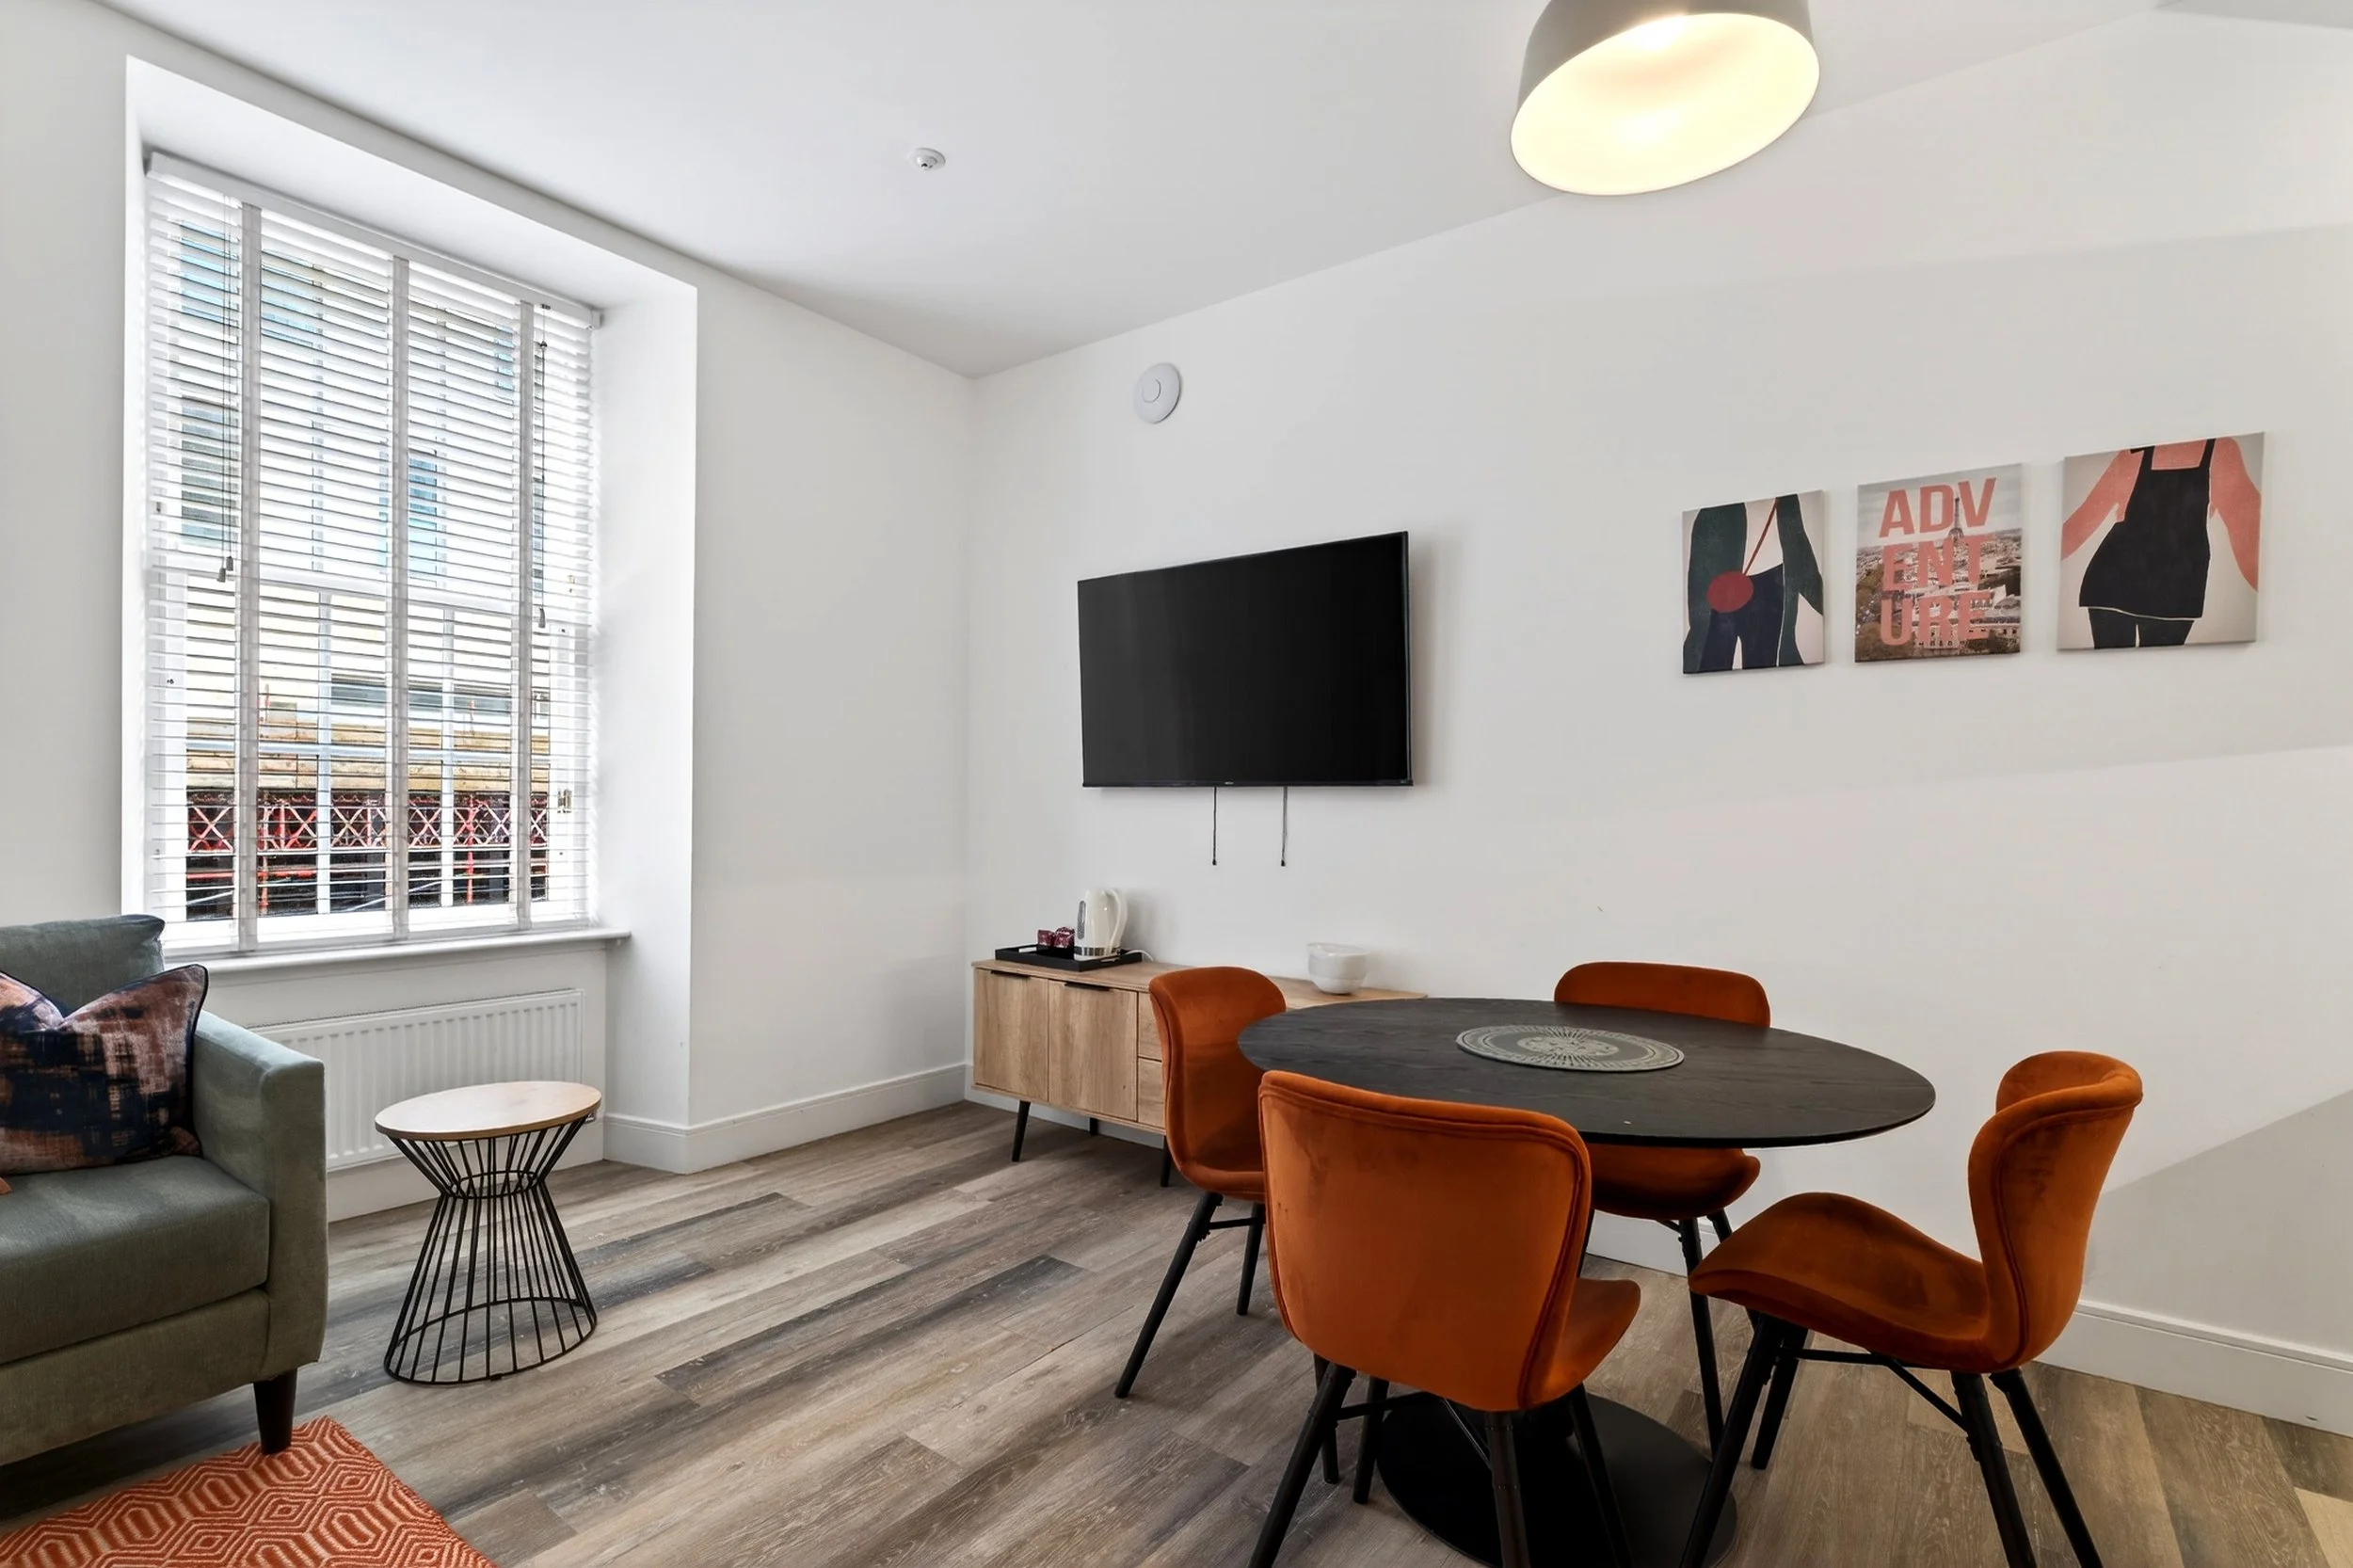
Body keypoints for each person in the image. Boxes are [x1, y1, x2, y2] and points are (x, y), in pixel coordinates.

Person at [2062, 439, 2260, 648]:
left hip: (2176, 591)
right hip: (2112, 585)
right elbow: (2085, 517)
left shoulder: (2220, 450)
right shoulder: (2136, 452)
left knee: (2157, 666)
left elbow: (2247, 529)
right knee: (2115, 665)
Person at [1684, 494, 1822, 673]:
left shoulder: (1787, 501)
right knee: (1710, 664)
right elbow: (1699, 575)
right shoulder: (1714, 512)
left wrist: (1830, 608)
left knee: (1766, 672)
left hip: (1770, 588)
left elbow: (1800, 554)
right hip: (1725, 591)